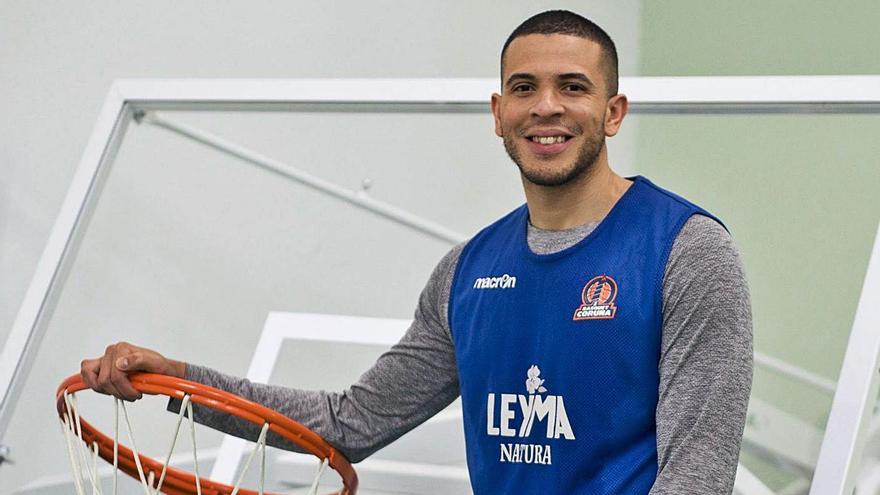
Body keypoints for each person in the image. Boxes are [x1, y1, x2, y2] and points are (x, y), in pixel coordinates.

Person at [81, 10, 753, 494]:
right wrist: (178, 378)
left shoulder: (686, 251)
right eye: (524, 88)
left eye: (573, 87)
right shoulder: (467, 273)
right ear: (498, 113)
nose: (546, 106)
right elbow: (349, 422)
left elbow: (697, 476)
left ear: (612, 111)